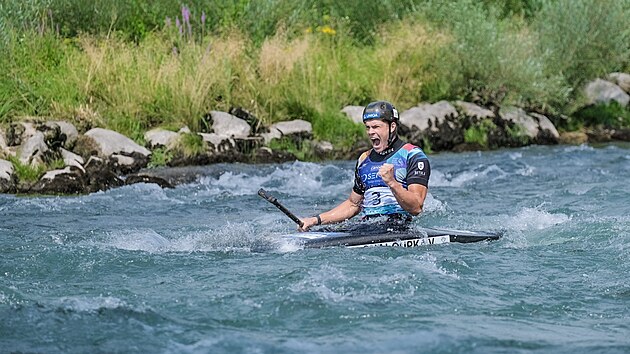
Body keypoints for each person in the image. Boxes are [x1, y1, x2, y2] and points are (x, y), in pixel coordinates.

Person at [299, 100, 431, 231]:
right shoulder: (364, 159)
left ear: (392, 127)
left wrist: (392, 182)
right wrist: (315, 220)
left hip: (398, 226)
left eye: (376, 127)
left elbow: (416, 207)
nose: (370, 132)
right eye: (368, 127)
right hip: (367, 226)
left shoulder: (412, 155)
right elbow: (353, 204)